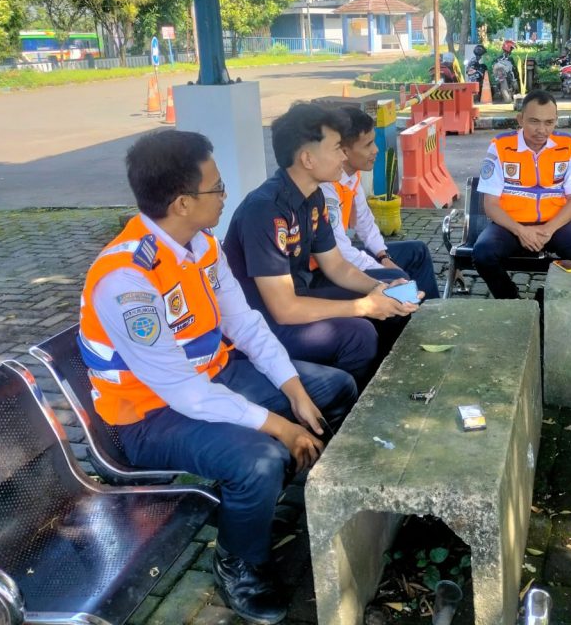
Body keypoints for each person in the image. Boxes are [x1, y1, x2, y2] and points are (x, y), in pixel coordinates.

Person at [77, 130, 357, 625]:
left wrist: (293, 390)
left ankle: (260, 502)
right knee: (259, 458)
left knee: (331, 389)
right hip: (148, 417)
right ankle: (239, 561)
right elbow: (183, 393)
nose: (226, 195)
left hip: (214, 378)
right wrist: (278, 425)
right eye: (218, 187)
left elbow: (245, 325)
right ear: (183, 203)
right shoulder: (127, 280)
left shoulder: (200, 245)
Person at [223, 103, 419, 387]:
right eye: (337, 148)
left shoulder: (312, 196)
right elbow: (284, 309)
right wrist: (364, 305)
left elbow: (337, 265)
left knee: (400, 289)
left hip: (303, 292)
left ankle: (387, 382)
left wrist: (379, 291)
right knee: (358, 334)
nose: (344, 155)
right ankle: (352, 413)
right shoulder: (265, 210)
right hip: (264, 322)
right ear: (307, 159)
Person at [474, 89, 571, 299]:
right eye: (534, 121)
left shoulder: (567, 145)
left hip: (554, 225)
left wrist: (547, 229)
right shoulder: (501, 146)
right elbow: (491, 203)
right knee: (483, 254)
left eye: (549, 122)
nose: (541, 130)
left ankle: (546, 299)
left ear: (556, 121)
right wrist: (521, 230)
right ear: (520, 119)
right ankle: (511, 300)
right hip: (510, 226)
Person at [320, 106, 440, 300]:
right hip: (329, 267)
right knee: (398, 278)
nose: (376, 150)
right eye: (368, 145)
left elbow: (365, 223)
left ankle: (434, 314)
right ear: (344, 151)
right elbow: (340, 251)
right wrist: (381, 267)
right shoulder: (326, 186)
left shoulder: (351, 177)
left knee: (417, 251)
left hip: (345, 256)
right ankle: (408, 318)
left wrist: (384, 256)